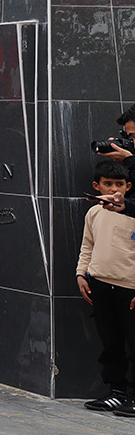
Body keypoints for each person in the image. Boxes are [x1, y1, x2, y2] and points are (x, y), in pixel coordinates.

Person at [78, 160, 135, 414]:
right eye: (107, 184)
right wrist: (82, 273)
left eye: (119, 184)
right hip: (100, 285)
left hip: (130, 288)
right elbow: (87, 245)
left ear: (128, 186)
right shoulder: (94, 212)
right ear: (96, 186)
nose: (114, 189)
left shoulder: (132, 214)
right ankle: (117, 392)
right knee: (111, 344)